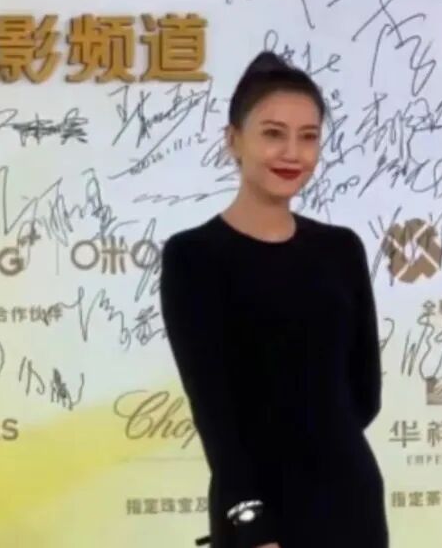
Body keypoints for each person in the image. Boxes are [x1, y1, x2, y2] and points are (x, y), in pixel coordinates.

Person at [159, 51, 389, 548]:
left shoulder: (341, 249)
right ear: (233, 140)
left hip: (351, 502)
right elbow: (214, 413)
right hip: (255, 510)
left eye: (308, 137)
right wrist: (251, 523)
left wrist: (323, 454)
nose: (292, 153)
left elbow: (364, 393)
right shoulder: (194, 257)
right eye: (272, 133)